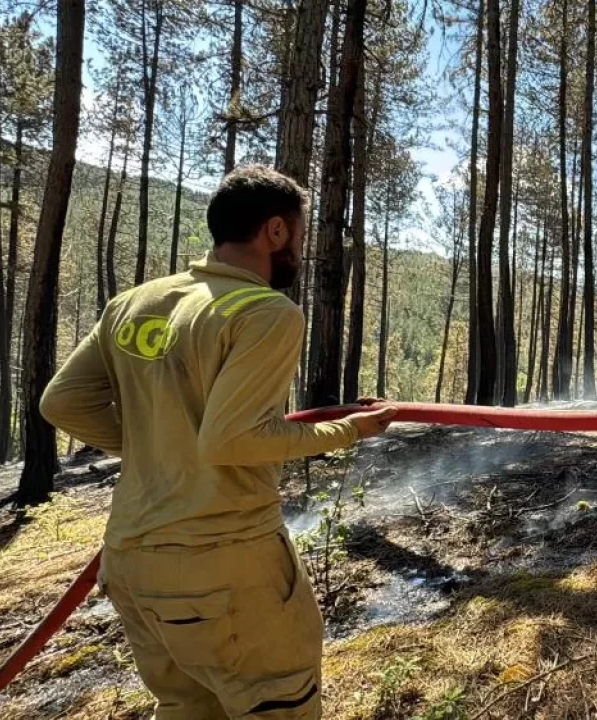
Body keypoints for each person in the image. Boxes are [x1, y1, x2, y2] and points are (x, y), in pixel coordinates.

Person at [41, 165, 397, 719]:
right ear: (275, 232)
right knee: (279, 705)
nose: (299, 254)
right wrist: (349, 429)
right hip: (223, 569)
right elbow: (236, 437)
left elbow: (61, 403)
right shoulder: (264, 312)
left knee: (186, 707)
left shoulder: (135, 302)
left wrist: (158, 448)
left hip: (132, 566)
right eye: (298, 238)